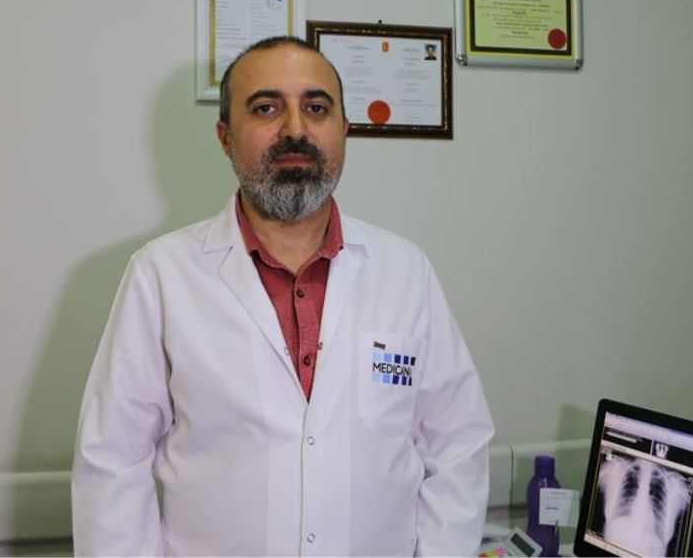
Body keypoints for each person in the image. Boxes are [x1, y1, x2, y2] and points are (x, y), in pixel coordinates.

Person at [72, 36, 494, 557]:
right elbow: (113, 461)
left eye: (316, 108)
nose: (295, 129)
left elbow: (457, 444)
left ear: (344, 129)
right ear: (225, 137)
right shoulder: (161, 274)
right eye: (266, 108)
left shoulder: (407, 271)